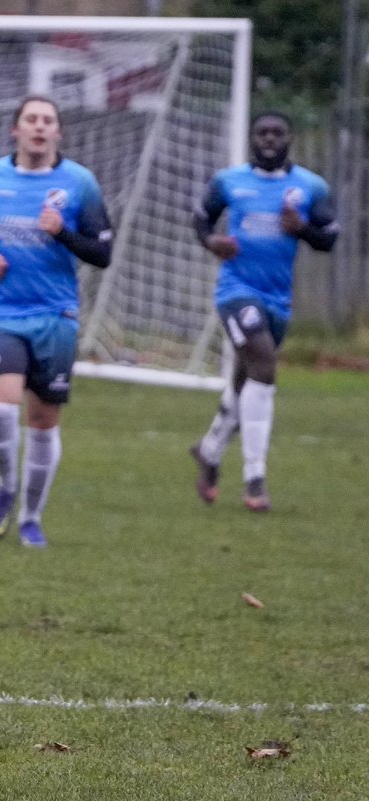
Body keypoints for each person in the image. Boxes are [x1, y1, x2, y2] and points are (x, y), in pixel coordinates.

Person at [0, 95, 113, 548]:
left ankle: (31, 516)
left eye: (48, 120)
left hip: (56, 316)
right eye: (31, 119)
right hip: (0, 313)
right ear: (16, 129)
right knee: (2, 412)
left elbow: (102, 253)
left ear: (58, 132)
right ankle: (6, 484)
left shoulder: (80, 182)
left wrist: (62, 231)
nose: (39, 127)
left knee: (43, 421)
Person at [189, 111, 338, 512]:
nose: (269, 139)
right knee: (265, 366)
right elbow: (201, 219)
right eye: (262, 133)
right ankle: (255, 478)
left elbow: (329, 238)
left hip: (278, 300)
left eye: (277, 133)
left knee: (246, 381)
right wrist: (212, 242)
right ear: (252, 139)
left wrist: (302, 229)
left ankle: (209, 451)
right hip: (236, 291)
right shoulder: (229, 181)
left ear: (289, 138)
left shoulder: (310, 186)